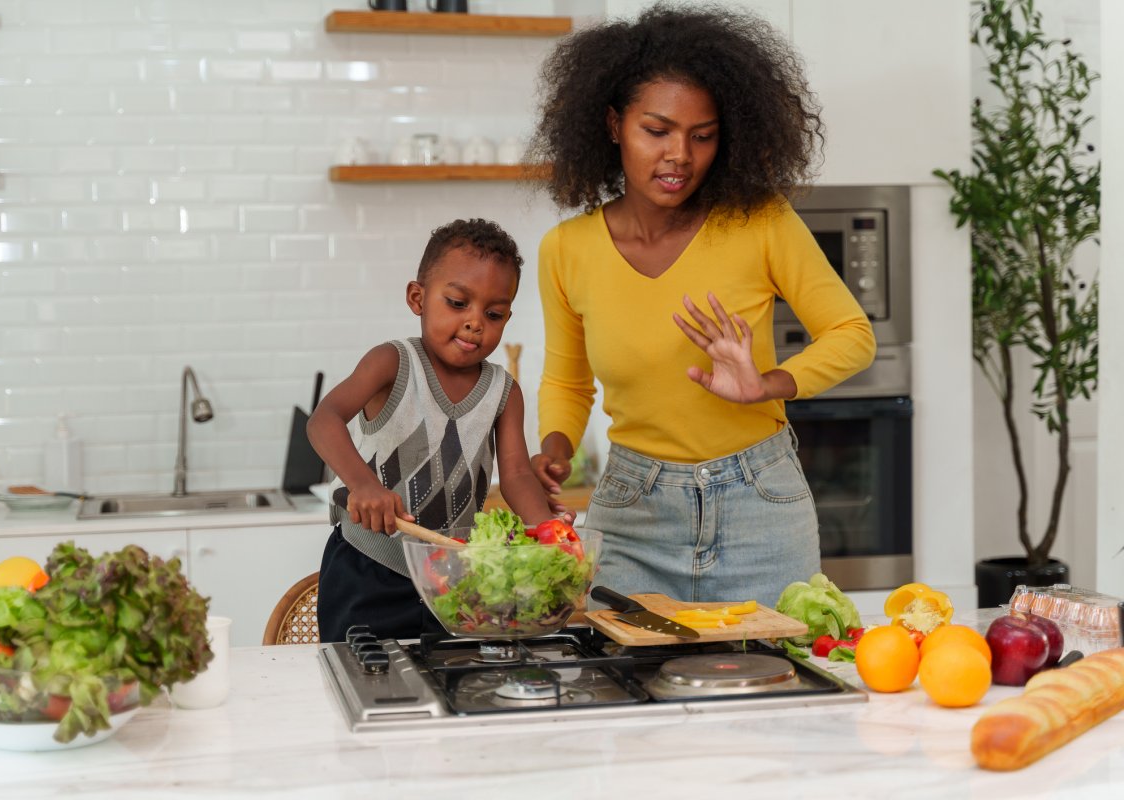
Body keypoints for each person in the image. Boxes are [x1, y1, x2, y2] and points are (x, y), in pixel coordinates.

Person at [525, 2, 876, 607]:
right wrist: (554, 449)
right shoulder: (567, 249)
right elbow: (568, 379)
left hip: (759, 505)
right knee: (630, 689)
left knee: (777, 689)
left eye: (702, 135)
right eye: (656, 130)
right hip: (633, 515)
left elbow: (852, 334)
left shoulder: (761, 222)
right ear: (614, 125)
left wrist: (768, 383)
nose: (680, 155)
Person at [307, 218, 564, 642]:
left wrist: (550, 534)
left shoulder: (504, 390)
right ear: (417, 298)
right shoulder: (391, 362)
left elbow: (517, 475)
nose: (475, 322)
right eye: (458, 303)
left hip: (453, 577)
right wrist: (364, 485)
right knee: (364, 681)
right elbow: (324, 420)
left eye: (494, 313)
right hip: (368, 566)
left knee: (451, 683)